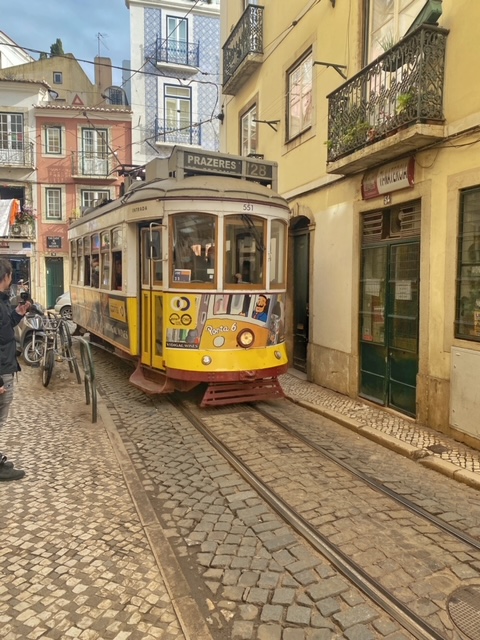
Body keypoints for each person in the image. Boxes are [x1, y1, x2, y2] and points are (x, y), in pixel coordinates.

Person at [0, 258, 31, 481]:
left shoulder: (2, 302)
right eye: (11, 276)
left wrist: (18, 312)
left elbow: (4, 328)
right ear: (6, 276)